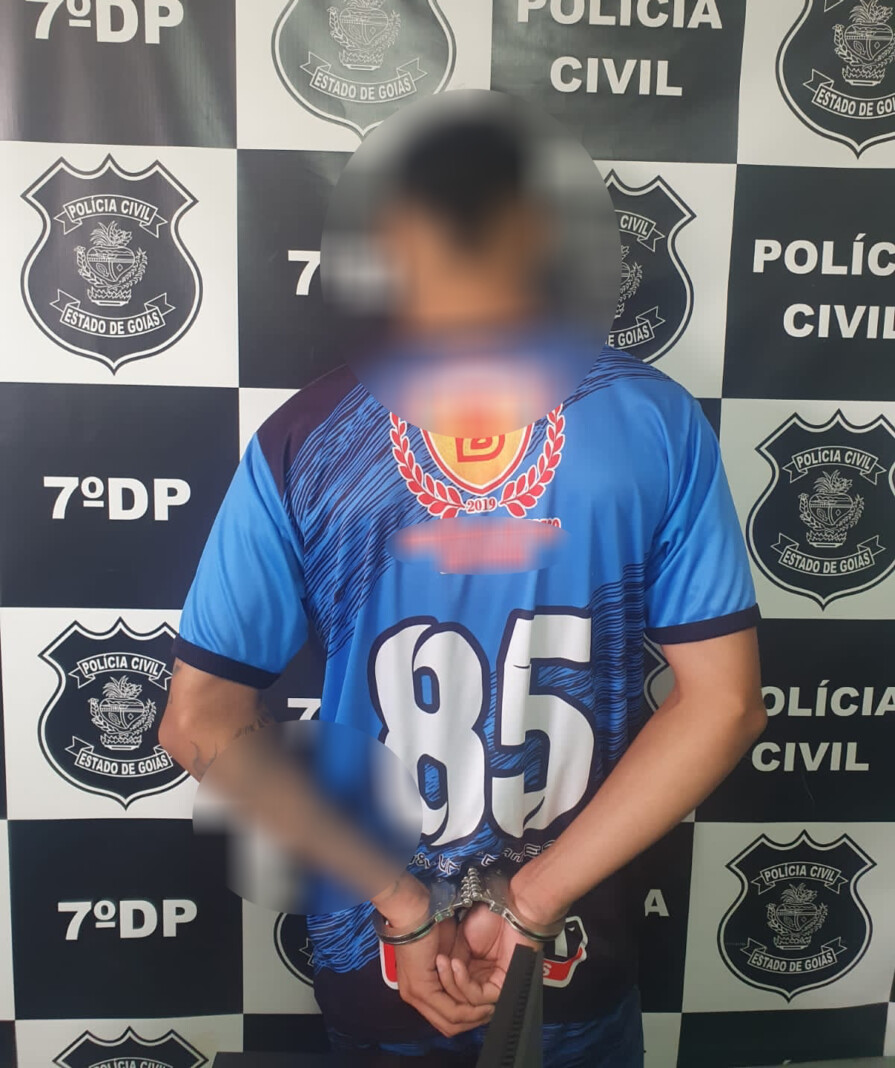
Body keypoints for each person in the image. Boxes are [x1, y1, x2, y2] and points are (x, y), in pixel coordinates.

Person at [159, 110, 766, 1067]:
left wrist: (401, 905)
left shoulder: (306, 434)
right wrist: (529, 902)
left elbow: (199, 722)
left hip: (378, 945)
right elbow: (723, 706)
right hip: (568, 937)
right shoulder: (655, 420)